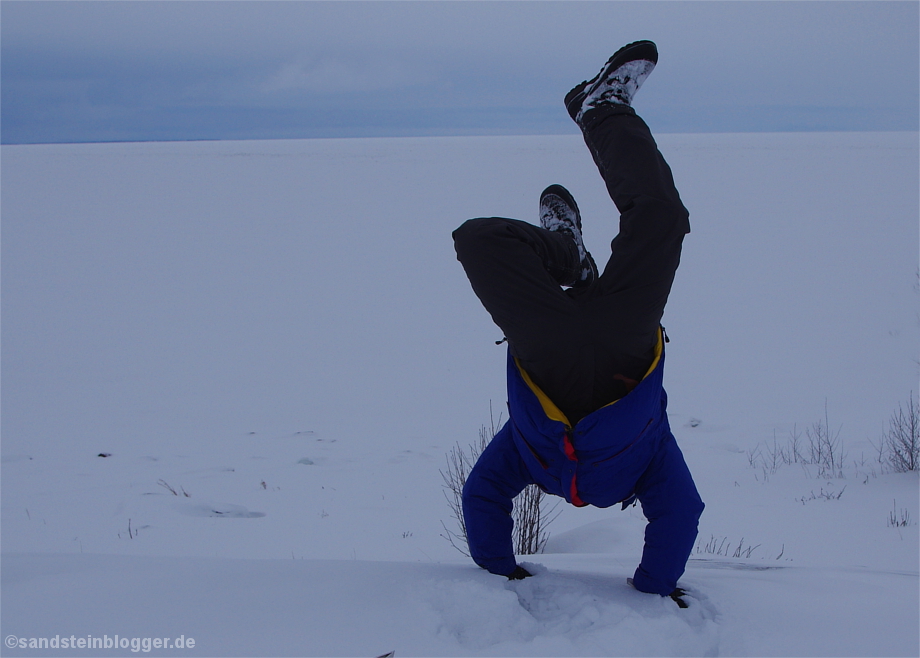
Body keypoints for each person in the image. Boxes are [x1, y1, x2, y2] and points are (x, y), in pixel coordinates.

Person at [452, 40, 704, 607]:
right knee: (663, 219)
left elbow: (483, 495)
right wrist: (653, 588)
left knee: (479, 240)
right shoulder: (654, 457)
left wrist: (500, 572)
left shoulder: (520, 451)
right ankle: (604, 110)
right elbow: (681, 511)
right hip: (626, 350)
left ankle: (566, 254)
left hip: (550, 356)